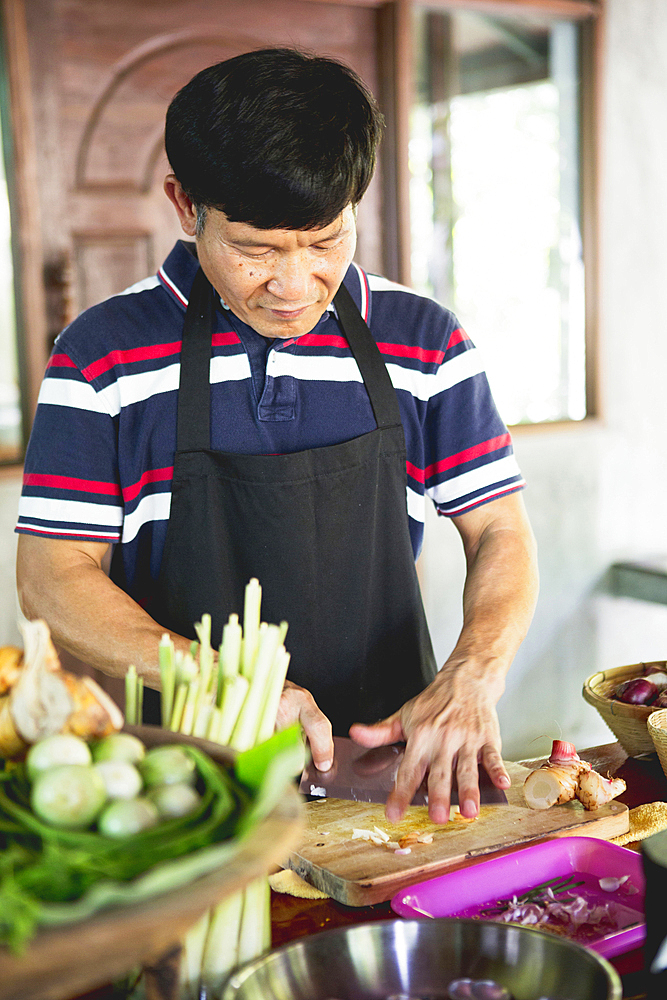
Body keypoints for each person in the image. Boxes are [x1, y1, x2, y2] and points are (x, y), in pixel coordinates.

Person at [16, 48, 538, 825]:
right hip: (183, 791)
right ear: (185, 205)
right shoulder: (102, 355)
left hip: (397, 781)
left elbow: (498, 527)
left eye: (324, 242)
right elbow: (52, 576)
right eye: (255, 249)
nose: (293, 287)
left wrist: (473, 672)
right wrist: (232, 685)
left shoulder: (423, 342)